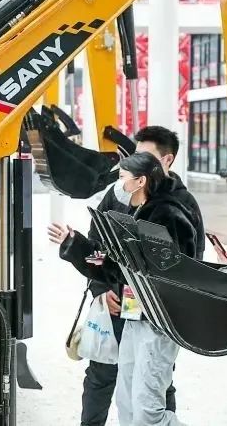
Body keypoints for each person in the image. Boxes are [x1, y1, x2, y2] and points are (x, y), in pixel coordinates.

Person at [56, 126, 200, 426]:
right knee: (107, 376)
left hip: (154, 311)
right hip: (121, 301)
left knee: (152, 385)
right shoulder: (121, 194)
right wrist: (100, 288)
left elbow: (183, 266)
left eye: (144, 158)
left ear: (166, 161)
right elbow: (103, 248)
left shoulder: (177, 207)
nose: (133, 166)